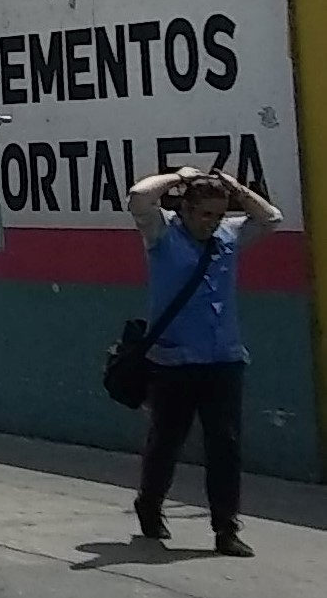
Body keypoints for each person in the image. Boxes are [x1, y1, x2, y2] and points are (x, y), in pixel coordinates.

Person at [127, 168, 282, 558]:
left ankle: (226, 528)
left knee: (225, 446)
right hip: (174, 361)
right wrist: (177, 176)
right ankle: (150, 503)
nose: (211, 222)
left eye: (218, 215)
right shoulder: (162, 234)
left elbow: (270, 218)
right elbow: (139, 197)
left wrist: (236, 190)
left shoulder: (228, 236)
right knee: (167, 441)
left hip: (223, 359)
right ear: (185, 210)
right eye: (204, 214)